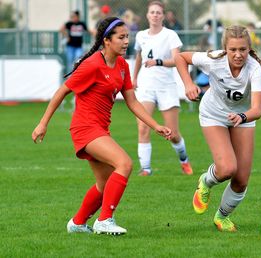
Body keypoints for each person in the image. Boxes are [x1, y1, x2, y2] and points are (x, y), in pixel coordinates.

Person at [32, 17, 172, 235]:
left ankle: (77, 223)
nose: (126, 41)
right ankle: (105, 220)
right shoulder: (92, 65)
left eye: (127, 37)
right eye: (121, 37)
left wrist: (155, 126)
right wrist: (43, 123)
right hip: (85, 128)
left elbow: (132, 102)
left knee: (104, 185)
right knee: (124, 164)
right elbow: (62, 91)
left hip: (99, 129)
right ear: (107, 40)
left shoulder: (123, 66)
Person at [175, 25, 261, 232]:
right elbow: (180, 58)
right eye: (233, 50)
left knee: (242, 179)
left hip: (243, 117)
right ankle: (206, 181)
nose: (238, 55)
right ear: (224, 49)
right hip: (213, 115)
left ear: (249, 48)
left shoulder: (255, 69)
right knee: (227, 168)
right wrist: (188, 84)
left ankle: (222, 217)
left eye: (243, 50)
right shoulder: (213, 59)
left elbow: (258, 109)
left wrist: (241, 116)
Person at [132, 0, 193, 176]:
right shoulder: (141, 36)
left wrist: (158, 62)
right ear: (147, 15)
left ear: (163, 16)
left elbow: (177, 60)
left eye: (158, 12)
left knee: (172, 133)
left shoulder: (170, 35)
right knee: (143, 127)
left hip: (166, 87)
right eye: (152, 12)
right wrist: (134, 77)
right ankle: (146, 169)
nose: (155, 15)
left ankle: (184, 159)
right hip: (146, 87)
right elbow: (138, 57)